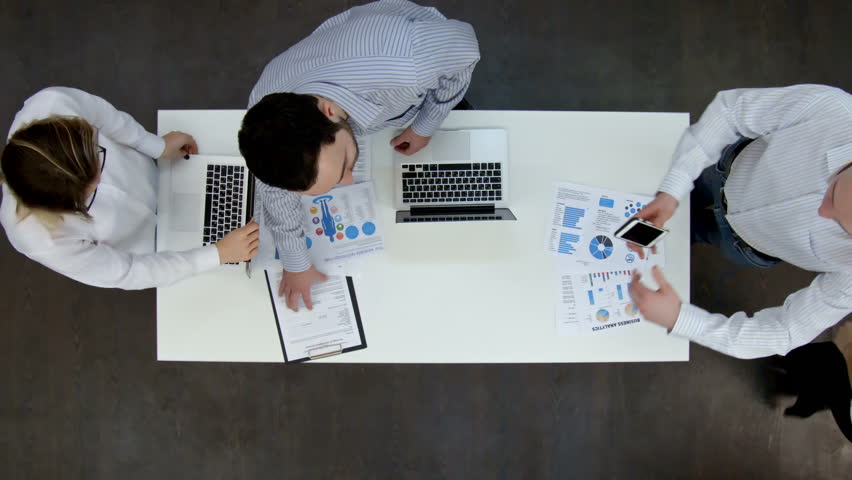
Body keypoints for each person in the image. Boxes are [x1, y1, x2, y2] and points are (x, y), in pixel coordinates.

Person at [238, 0, 480, 311]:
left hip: (417, 47)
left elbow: (464, 48)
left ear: (328, 112)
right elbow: (275, 192)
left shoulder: (412, 65)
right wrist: (296, 263)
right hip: (335, 56)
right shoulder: (264, 110)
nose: (349, 181)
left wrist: (425, 124)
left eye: (342, 166)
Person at [627, 84, 852, 359]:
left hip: (744, 245)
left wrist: (680, 319)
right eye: (833, 192)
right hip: (723, 173)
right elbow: (732, 112)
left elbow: (785, 332)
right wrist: (673, 189)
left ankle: (691, 235)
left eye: (844, 229)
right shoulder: (833, 110)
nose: (823, 213)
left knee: (687, 237)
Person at [0, 87, 259, 289]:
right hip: (152, 245)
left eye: (97, 157)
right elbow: (127, 272)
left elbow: (107, 117)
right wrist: (217, 254)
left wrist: (154, 146)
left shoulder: (54, 103)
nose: (101, 180)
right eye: (88, 195)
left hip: (159, 171)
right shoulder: (40, 239)